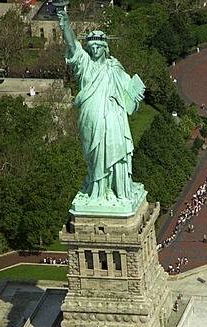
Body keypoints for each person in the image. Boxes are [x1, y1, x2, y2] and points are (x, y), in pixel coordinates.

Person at [56, 7, 145, 204]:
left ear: (105, 48)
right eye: (92, 47)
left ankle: (118, 187)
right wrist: (65, 23)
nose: (95, 49)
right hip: (91, 116)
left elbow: (129, 93)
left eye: (99, 46)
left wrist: (136, 95)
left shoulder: (114, 67)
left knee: (116, 147)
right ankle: (97, 187)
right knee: (94, 153)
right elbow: (72, 46)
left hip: (113, 117)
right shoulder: (84, 64)